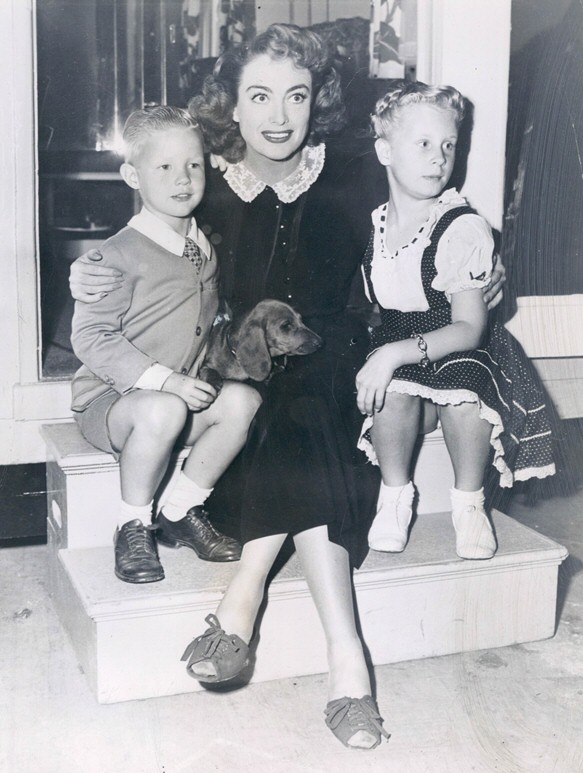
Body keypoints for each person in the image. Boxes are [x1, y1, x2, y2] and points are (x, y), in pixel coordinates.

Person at [69, 26, 505, 749]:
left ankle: (249, 614)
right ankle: (347, 671)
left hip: (337, 351)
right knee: (267, 413)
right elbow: (142, 238)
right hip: (242, 360)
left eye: (296, 95)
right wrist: (90, 272)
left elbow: (433, 211)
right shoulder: (203, 180)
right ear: (231, 106)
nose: (279, 115)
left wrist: (481, 264)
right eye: (260, 96)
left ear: (317, 101)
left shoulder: (356, 170)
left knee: (304, 411)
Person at [355, 81, 556, 560]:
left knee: (465, 392)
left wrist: (394, 353)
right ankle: (395, 495)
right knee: (393, 389)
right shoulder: (377, 222)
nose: (438, 158)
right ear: (385, 150)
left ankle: (469, 503)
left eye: (448, 145)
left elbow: (470, 328)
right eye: (423, 144)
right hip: (406, 348)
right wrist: (388, 354)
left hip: (464, 345)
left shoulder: (459, 225)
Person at [70, 106, 262, 585]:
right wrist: (167, 382)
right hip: (111, 402)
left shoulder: (202, 246)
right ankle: (132, 523)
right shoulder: (114, 255)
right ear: (132, 176)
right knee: (163, 411)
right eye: (164, 167)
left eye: (193, 165)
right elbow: (90, 337)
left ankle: (180, 508)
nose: (183, 179)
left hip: (173, 397)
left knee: (243, 402)